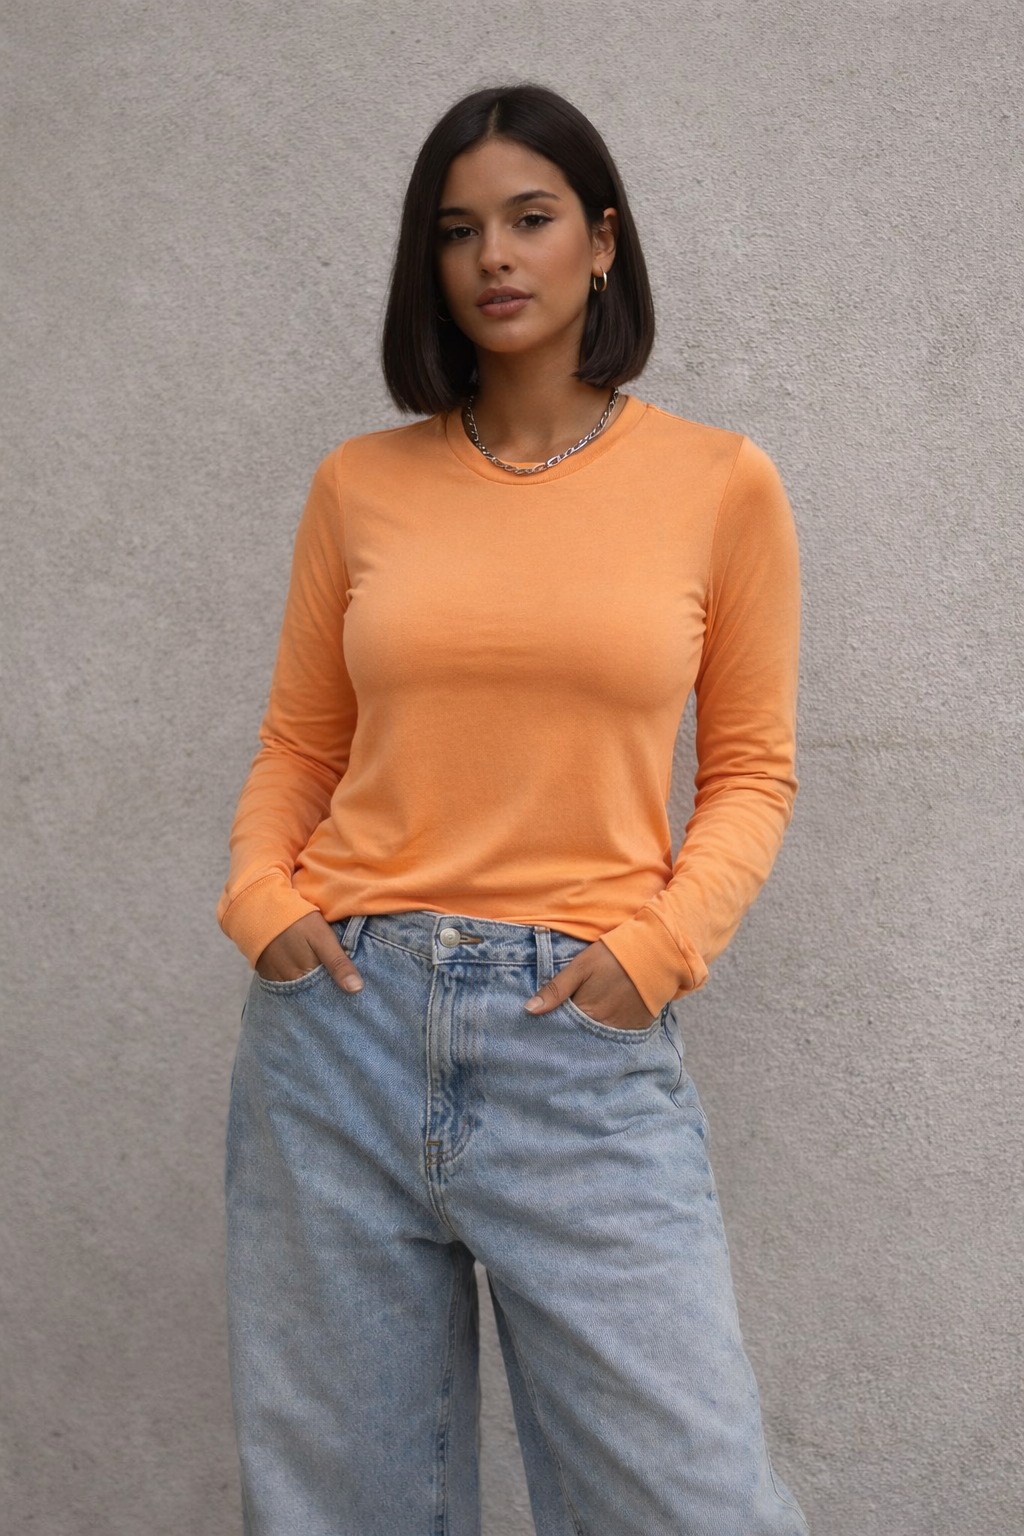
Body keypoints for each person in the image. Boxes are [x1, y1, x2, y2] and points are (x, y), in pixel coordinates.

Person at [217, 80, 810, 1536]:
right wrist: (261, 904)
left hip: (579, 1045)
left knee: (691, 1501)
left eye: (530, 219)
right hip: (338, 1031)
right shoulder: (360, 485)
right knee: (343, 1511)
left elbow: (750, 771)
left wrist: (655, 954)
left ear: (600, 242)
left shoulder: (718, 483)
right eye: (458, 229)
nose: (493, 255)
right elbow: (299, 746)